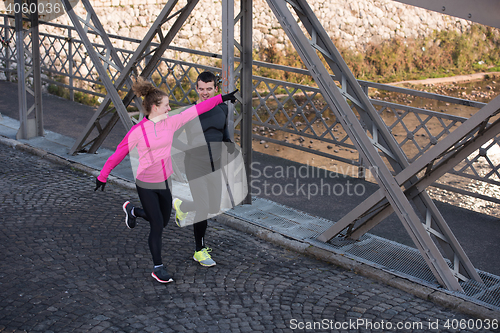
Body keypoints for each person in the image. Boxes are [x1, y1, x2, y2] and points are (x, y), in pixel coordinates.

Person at [94, 76, 237, 283]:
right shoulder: (138, 131)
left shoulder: (171, 123)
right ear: (154, 107)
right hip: (146, 182)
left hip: (165, 181)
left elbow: (199, 108)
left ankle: (133, 211)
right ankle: (158, 267)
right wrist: (103, 176)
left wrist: (222, 97)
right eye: (167, 105)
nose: (170, 108)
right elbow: (119, 153)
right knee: (158, 225)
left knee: (163, 220)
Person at [172, 71, 234, 267]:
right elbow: (172, 137)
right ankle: (199, 251)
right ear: (196, 89)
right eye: (201, 89)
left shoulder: (222, 108)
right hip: (195, 165)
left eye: (209, 89)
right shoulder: (189, 113)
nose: (205, 93)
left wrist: (228, 142)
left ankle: (182, 206)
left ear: (216, 89)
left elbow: (222, 129)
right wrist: (189, 150)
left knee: (214, 206)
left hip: (214, 164)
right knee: (204, 208)